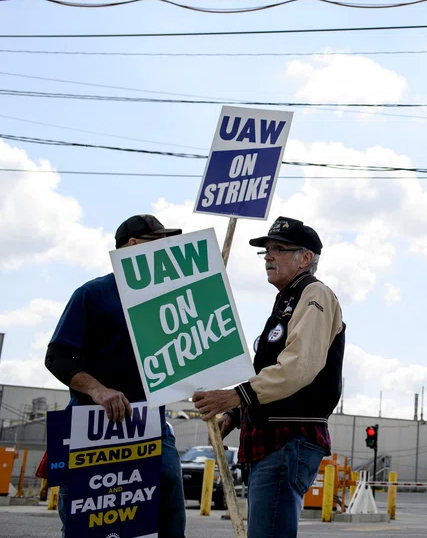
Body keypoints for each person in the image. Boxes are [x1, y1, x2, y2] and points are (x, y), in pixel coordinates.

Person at [193, 216, 345, 538]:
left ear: (306, 258)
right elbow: (270, 371)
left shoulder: (314, 293)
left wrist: (238, 396)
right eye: (265, 251)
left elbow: (299, 366)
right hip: (271, 439)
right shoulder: (286, 301)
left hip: (287, 437)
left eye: (278, 249)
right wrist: (235, 414)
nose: (268, 257)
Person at [45, 214, 187, 538]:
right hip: (92, 429)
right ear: (132, 246)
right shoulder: (93, 294)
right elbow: (58, 357)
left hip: (150, 427)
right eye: (158, 243)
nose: (165, 251)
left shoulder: (167, 301)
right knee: (89, 522)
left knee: (168, 515)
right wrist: (98, 390)